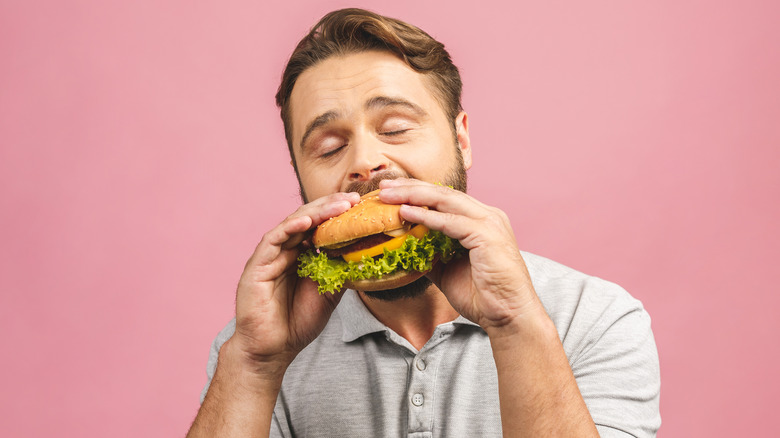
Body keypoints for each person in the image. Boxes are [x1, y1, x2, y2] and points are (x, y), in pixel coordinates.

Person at [187, 8, 660, 438]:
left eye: (394, 128)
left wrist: (515, 325)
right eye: (329, 147)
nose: (366, 162)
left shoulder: (595, 318)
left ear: (462, 140)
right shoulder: (258, 343)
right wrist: (253, 364)